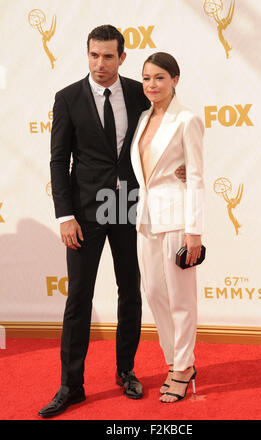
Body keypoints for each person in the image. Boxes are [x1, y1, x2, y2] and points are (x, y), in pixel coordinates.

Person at [38, 26, 185, 418]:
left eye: (107, 56)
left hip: (129, 204)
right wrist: (65, 215)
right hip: (85, 211)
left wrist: (180, 169)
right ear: (86, 54)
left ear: (122, 58)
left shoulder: (141, 93)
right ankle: (71, 385)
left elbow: (164, 134)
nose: (99, 64)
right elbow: (58, 160)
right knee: (78, 298)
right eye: (93, 55)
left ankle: (126, 370)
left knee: (130, 291)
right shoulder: (68, 98)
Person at [131, 52, 204, 403]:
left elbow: (197, 178)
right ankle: (173, 360)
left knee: (181, 298)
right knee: (155, 294)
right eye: (146, 78)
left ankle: (183, 366)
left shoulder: (186, 120)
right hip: (145, 218)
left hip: (176, 218)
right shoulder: (143, 117)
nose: (151, 85)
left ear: (175, 79)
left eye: (159, 77)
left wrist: (194, 231)